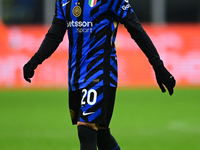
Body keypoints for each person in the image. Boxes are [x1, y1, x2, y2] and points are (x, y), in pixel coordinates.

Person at [23, 0, 176, 149]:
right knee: (101, 133)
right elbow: (54, 35)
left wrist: (158, 66)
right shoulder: (63, 1)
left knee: (86, 128)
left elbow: (137, 31)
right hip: (76, 76)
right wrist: (35, 60)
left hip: (101, 73)